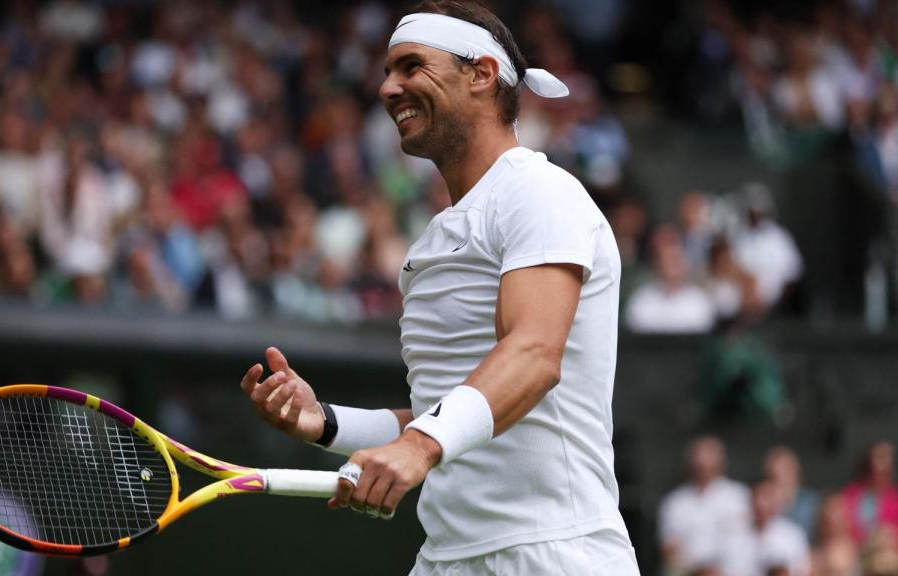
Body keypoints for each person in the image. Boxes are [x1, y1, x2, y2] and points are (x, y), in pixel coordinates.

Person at [239, 1, 638, 573]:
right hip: (447, 558)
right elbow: (442, 408)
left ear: (481, 74)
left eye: (410, 66)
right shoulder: (432, 240)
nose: (388, 89)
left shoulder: (540, 191)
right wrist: (325, 422)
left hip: (554, 552)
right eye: (386, 72)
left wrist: (419, 447)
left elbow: (533, 354)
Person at [658, 436, 750, 575]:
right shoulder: (674, 502)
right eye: (700, 460)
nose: (703, 465)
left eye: (710, 458)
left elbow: (741, 542)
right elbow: (669, 548)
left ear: (721, 462)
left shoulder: (738, 497)